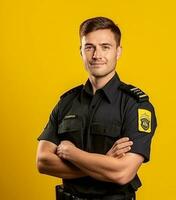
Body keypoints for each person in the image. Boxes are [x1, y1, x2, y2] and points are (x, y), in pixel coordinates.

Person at [36, 16, 157, 200]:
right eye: (89, 47)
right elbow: (43, 161)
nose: (96, 55)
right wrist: (105, 161)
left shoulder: (135, 105)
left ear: (118, 51)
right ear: (81, 51)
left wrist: (72, 153)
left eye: (105, 47)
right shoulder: (66, 102)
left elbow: (122, 173)